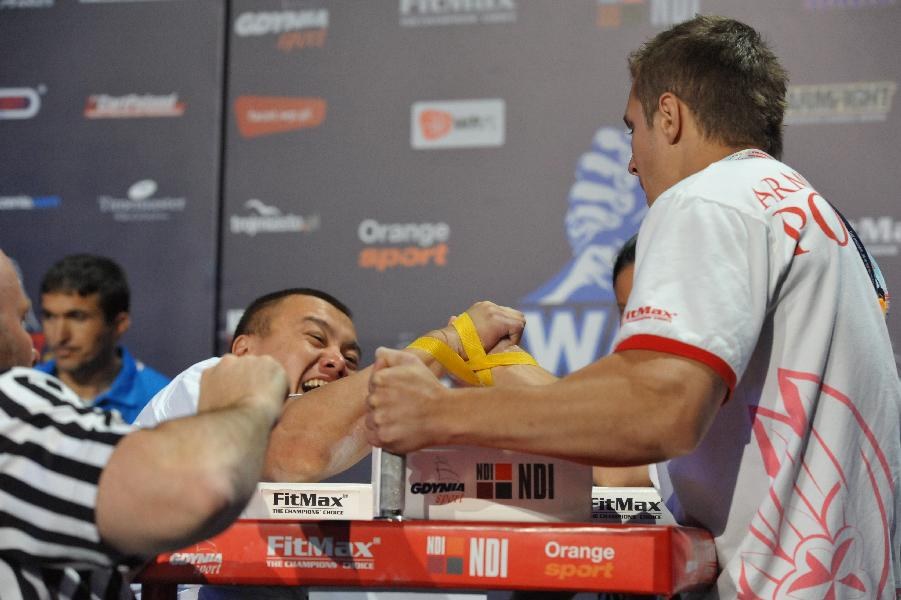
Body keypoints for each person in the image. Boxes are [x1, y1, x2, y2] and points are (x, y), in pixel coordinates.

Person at [364, 15, 900, 599]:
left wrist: (436, 414)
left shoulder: (707, 198)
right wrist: (508, 374)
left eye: (632, 130)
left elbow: (659, 408)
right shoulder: (810, 213)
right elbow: (681, 430)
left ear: (668, 116)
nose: (631, 162)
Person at [0, 248, 289, 598]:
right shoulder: (9, 405)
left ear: (118, 324)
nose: (42, 343)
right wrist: (253, 400)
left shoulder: (153, 391)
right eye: (24, 320)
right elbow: (199, 487)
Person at [36, 253, 170, 422]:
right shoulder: (19, 393)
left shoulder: (162, 401)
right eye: (50, 317)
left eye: (77, 317)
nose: (60, 335)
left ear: (119, 324)